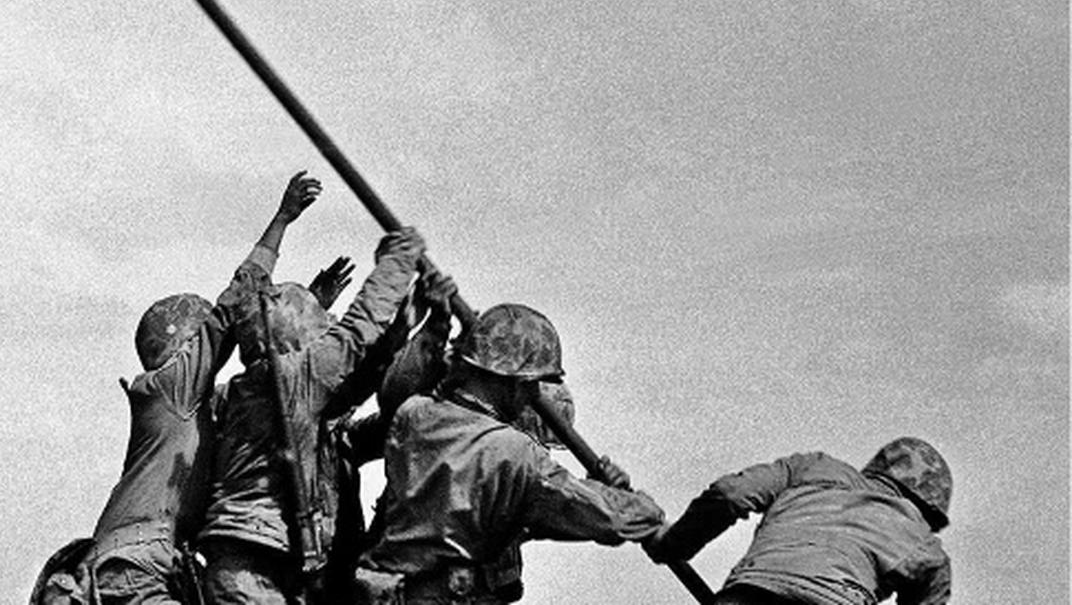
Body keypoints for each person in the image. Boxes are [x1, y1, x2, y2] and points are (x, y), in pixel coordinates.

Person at [69, 171, 322, 605]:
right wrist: (281, 219)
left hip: (148, 564)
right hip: (134, 566)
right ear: (182, 344)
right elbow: (231, 308)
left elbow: (267, 382)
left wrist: (309, 311)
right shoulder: (167, 390)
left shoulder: (192, 407)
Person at [358, 303, 666, 605]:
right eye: (532, 386)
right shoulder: (513, 452)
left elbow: (513, 514)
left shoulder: (414, 415)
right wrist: (639, 506)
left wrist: (597, 492)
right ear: (518, 382)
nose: (532, 396)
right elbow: (602, 515)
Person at [195, 228, 429, 605]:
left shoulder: (257, 390)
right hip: (254, 567)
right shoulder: (290, 378)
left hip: (259, 565)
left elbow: (355, 386)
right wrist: (398, 261)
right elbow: (356, 332)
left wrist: (404, 332)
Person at [644, 437, 954, 605]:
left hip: (748, 595)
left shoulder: (812, 469)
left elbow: (731, 494)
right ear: (929, 507)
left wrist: (672, 545)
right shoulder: (923, 542)